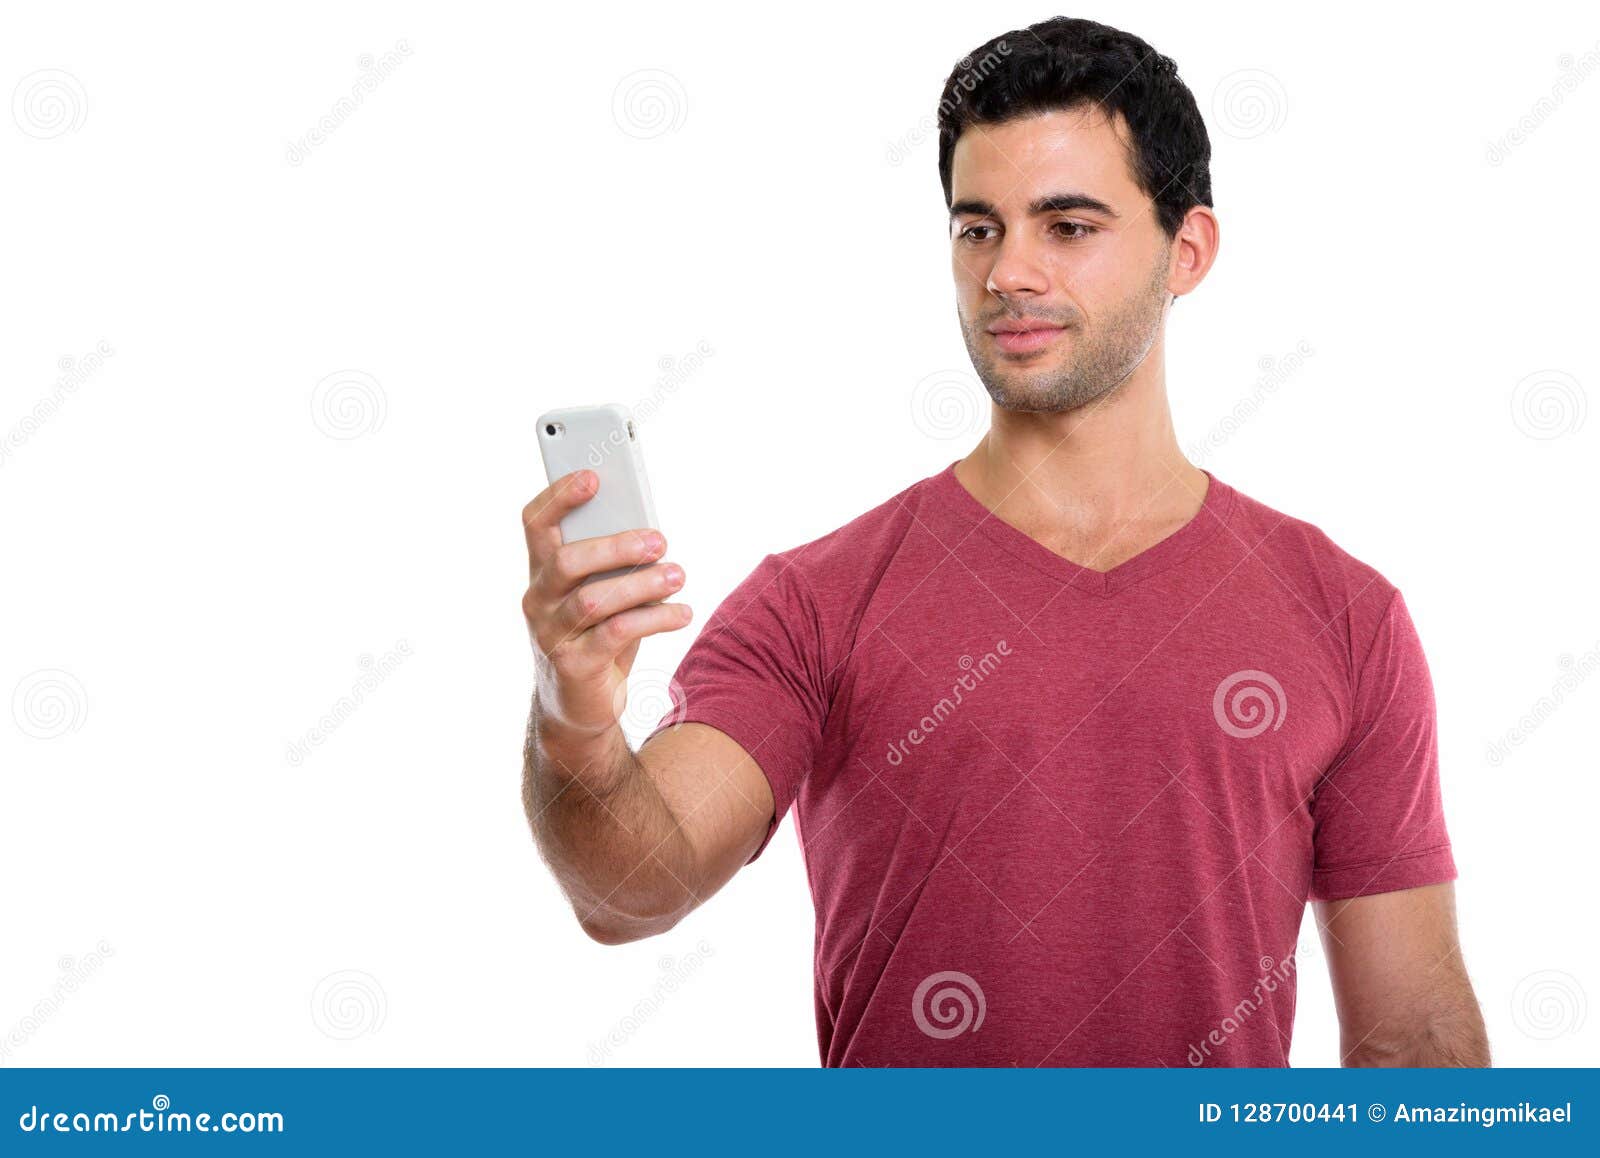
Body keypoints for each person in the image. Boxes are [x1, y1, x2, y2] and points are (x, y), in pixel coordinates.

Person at [519, 15, 1488, 1067]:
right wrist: (573, 714)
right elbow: (627, 892)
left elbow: (1413, 1041)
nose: (1007, 273)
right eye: (979, 228)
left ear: (1188, 251)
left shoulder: (1344, 615)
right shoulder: (815, 602)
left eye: (1066, 227)